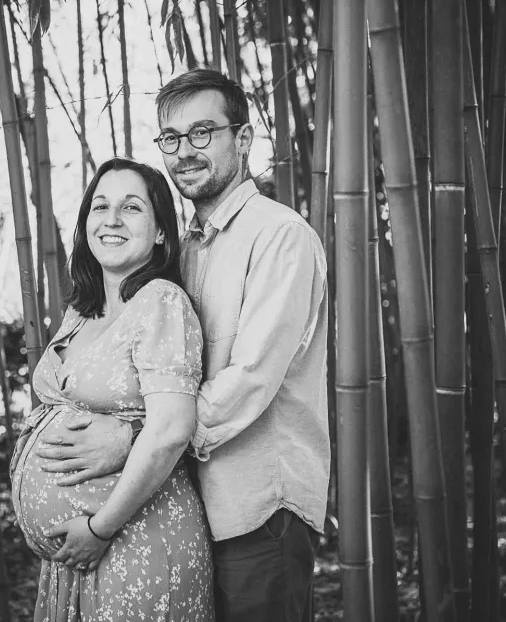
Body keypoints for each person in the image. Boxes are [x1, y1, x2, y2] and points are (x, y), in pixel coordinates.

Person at [36, 68, 330, 622]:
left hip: (254, 510)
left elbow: (249, 379)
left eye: (202, 133)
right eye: (171, 138)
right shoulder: (182, 248)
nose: (184, 152)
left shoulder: (279, 236)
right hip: (184, 508)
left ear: (243, 138)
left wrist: (137, 438)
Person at [9, 157, 214, 621]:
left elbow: (171, 430)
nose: (112, 219)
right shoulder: (82, 309)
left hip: (133, 544)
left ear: (160, 232)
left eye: (132, 207)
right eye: (100, 206)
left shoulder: (160, 301)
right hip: (77, 557)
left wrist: (99, 528)